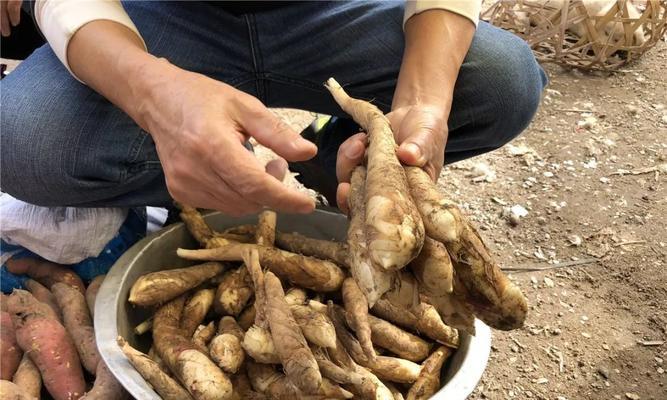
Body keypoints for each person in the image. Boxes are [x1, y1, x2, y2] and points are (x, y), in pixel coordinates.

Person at [1, 0, 547, 218]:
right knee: (22, 140)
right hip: (157, 13)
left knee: (501, 81)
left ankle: (321, 152)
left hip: (332, 10)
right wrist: (157, 96)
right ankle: (217, 166)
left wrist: (421, 101)